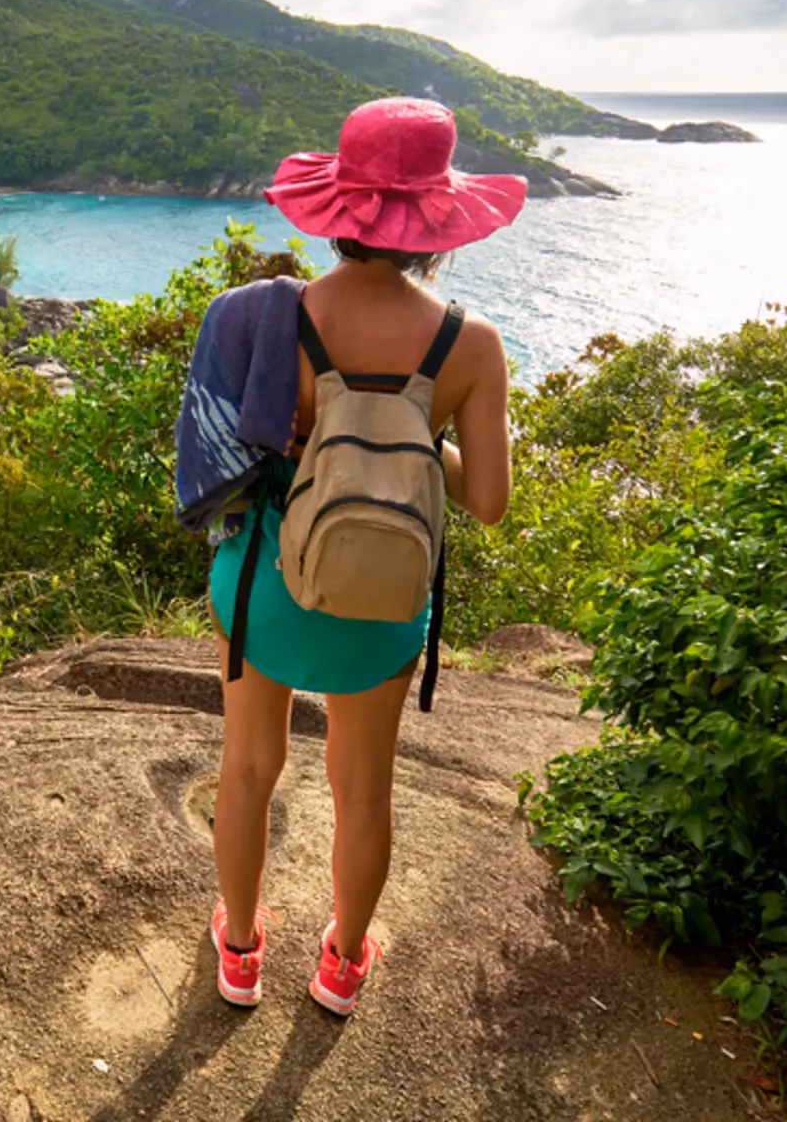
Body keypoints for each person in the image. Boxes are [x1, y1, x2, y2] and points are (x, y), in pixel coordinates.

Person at [177, 96, 522, 1016]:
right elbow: (486, 501)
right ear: (436, 223)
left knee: (250, 766)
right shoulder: (472, 345)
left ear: (339, 211)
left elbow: (236, 449)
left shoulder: (269, 322)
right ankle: (342, 962)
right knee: (364, 791)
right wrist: (415, 425)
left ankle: (241, 949)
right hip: (383, 604)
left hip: (266, 591)